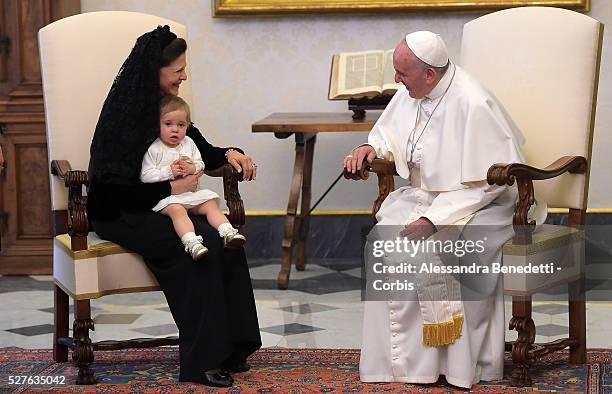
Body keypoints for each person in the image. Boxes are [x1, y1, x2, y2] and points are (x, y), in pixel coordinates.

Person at [344, 31, 531, 388]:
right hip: (426, 198)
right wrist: (370, 149)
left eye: (402, 73)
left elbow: (491, 182)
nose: (395, 81)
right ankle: (402, 364)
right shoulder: (412, 92)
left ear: (430, 74)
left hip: (481, 206)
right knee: (384, 243)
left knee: (438, 249)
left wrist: (434, 220)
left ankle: (452, 364)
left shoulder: (473, 102)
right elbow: (389, 136)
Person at [88, 25, 261, 387]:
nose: (185, 75)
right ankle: (203, 361)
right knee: (199, 246)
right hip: (122, 213)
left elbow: (201, 148)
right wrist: (172, 185)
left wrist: (232, 153)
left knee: (223, 234)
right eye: (178, 69)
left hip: (164, 203)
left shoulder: (166, 107)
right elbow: (112, 190)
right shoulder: (123, 114)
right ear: (155, 69)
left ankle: (234, 346)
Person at [140, 96, 246, 260]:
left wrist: (192, 167)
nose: (175, 129)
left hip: (190, 194)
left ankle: (228, 232)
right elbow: (145, 175)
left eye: (181, 125)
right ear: (157, 125)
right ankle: (192, 243)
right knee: (178, 211)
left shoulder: (189, 143)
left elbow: (201, 163)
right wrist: (169, 172)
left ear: (187, 126)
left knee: (210, 204)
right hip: (169, 198)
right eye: (168, 124)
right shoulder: (155, 148)